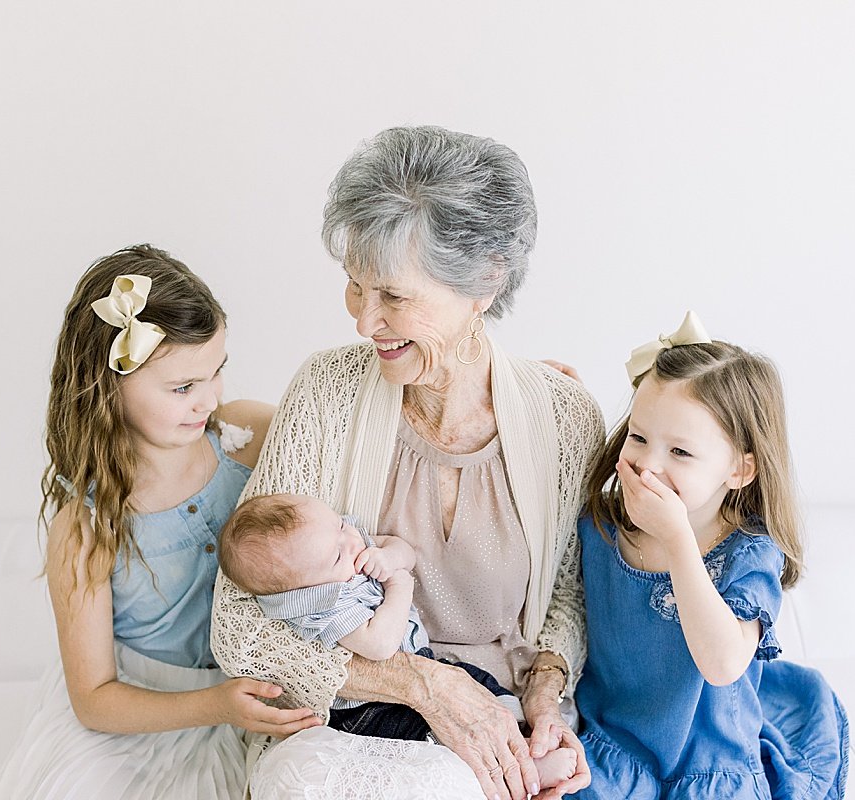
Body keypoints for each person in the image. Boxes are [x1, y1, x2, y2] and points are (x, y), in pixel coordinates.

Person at [210, 125, 604, 800]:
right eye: (355, 288)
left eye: (393, 296)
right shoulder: (326, 391)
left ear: (484, 282)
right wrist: (424, 684)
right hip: (346, 721)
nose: (365, 322)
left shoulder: (564, 418)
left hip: (497, 716)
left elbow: (567, 596)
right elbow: (238, 628)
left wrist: (544, 699)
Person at [0, 245, 321, 800]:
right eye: (183, 387)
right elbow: (94, 696)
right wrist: (214, 704)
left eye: (216, 372)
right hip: (147, 714)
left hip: (259, 688)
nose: (209, 398)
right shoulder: (87, 526)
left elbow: (339, 456)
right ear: (108, 388)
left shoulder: (244, 436)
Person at [573, 312, 849, 799]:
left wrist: (678, 542)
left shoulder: (748, 552)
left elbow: (722, 665)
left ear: (740, 470)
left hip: (711, 757)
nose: (648, 464)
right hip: (616, 746)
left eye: (680, 452)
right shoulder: (600, 527)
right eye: (639, 437)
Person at [217, 493, 580, 789]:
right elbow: (380, 646)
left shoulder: (336, 542)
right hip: (370, 707)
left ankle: (518, 730)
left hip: (425, 659)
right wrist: (399, 585)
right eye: (339, 554)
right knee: (425, 735)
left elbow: (404, 551)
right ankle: (507, 772)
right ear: (304, 589)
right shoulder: (325, 606)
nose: (353, 541)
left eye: (342, 525)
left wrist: (389, 557)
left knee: (477, 687)